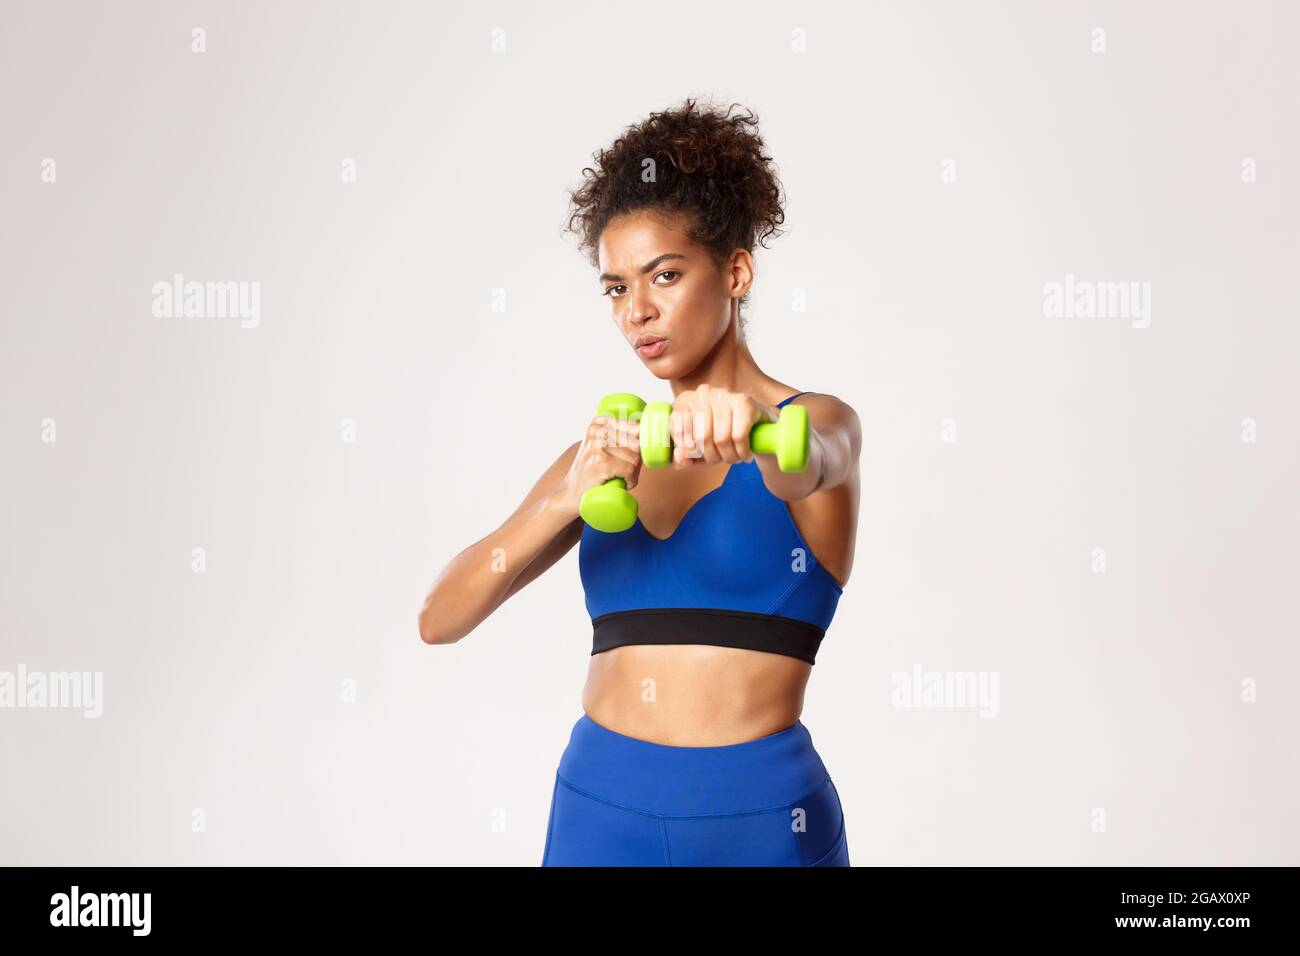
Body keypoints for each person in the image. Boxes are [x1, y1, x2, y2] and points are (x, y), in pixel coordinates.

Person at [419, 97, 861, 866]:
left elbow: (809, 464)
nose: (638, 312)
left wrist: (754, 427)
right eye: (616, 288)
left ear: (734, 269)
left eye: (664, 274)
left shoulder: (816, 421)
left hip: (759, 821)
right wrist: (566, 496)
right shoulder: (605, 450)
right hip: (598, 809)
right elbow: (439, 618)